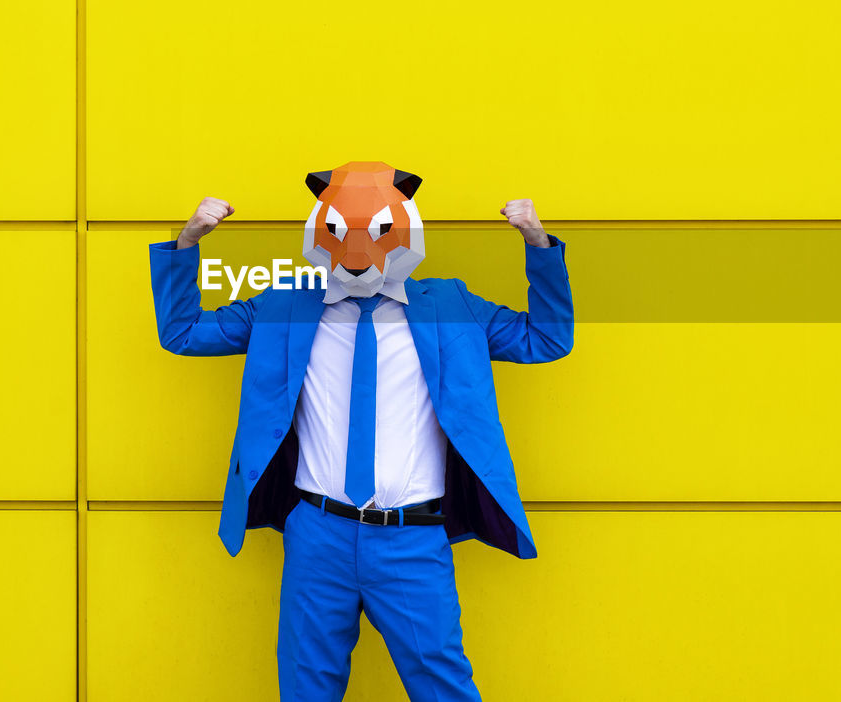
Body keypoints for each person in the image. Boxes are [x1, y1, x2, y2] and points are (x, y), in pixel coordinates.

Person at [148, 160, 575, 701]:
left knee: (444, 687)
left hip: (412, 540)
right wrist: (187, 244)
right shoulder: (284, 307)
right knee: (305, 689)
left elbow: (546, 339)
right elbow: (183, 332)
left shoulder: (451, 306)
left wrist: (538, 246)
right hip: (317, 534)